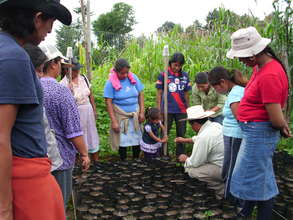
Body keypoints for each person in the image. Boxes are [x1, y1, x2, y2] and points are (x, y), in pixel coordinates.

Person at [0, 0, 71, 219]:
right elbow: (1, 137)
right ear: (37, 18)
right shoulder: (13, 57)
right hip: (24, 180)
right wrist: (4, 208)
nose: (50, 31)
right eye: (51, 22)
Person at [226, 26, 291, 220]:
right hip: (254, 131)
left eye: (241, 57)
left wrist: (283, 126)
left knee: (249, 178)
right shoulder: (260, 67)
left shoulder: (269, 74)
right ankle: (249, 213)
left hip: (259, 133)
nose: (240, 61)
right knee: (261, 177)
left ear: (253, 55)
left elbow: (276, 117)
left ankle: (253, 214)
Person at [39, 44, 90, 208]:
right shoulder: (60, 92)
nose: (61, 67)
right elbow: (73, 131)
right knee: (58, 202)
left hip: (36, 158)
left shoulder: (32, 87)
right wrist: (84, 154)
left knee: (42, 204)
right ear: (53, 64)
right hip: (59, 159)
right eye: (60, 63)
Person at [208, 66, 246, 200]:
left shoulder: (236, 93)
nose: (216, 91)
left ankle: (230, 200)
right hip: (231, 136)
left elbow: (241, 119)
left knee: (231, 169)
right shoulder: (233, 92)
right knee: (229, 166)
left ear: (223, 82)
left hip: (235, 137)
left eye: (215, 87)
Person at [23, 43, 63, 172]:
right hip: (38, 163)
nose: (41, 75)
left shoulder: (35, 90)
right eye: (39, 70)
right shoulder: (59, 90)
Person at [176, 105, 224, 199]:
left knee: (191, 170)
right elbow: (200, 139)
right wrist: (185, 140)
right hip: (228, 164)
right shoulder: (215, 125)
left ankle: (220, 191)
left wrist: (185, 159)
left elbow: (194, 162)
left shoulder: (204, 137)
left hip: (221, 168)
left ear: (195, 124)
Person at [104, 58, 145, 160]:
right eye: (122, 73)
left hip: (135, 113)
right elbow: (108, 102)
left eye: (127, 72)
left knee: (137, 139)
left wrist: (142, 112)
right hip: (120, 115)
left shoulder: (133, 77)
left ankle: (136, 159)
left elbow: (141, 94)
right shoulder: (110, 83)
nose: (125, 75)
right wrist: (114, 121)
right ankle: (123, 161)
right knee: (122, 140)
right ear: (116, 71)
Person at [60, 58, 100, 162]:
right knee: (79, 135)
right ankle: (81, 162)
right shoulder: (63, 84)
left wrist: (94, 110)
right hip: (76, 113)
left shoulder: (83, 78)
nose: (77, 72)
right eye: (74, 70)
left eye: (78, 70)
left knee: (92, 135)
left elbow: (91, 95)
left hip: (88, 111)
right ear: (66, 70)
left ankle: (96, 162)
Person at [156, 52, 191, 156]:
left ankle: (180, 156)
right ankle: (162, 155)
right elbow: (159, 94)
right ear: (170, 63)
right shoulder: (163, 75)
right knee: (164, 132)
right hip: (167, 110)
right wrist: (159, 111)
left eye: (180, 65)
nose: (177, 67)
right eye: (175, 65)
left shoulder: (185, 76)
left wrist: (188, 110)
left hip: (181, 110)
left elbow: (186, 93)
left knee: (181, 134)